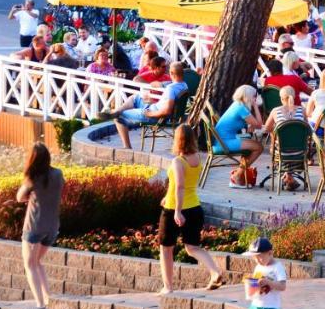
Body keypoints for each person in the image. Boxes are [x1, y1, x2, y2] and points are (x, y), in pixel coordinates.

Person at [158, 125, 225, 293]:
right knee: (192, 247)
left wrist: (177, 211)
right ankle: (215, 272)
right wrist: (167, 195)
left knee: (166, 248)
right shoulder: (196, 158)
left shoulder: (178, 161)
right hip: (195, 206)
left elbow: (180, 186)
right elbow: (179, 184)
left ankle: (168, 287)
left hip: (175, 209)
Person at [14, 143, 63, 308]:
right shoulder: (58, 173)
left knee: (30, 265)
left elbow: (19, 197)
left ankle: (40, 303)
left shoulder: (32, 178)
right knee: (38, 262)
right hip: (52, 227)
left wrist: (30, 195)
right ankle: (48, 297)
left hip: (34, 226)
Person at [112, 62, 188, 148]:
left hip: (154, 116)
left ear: (171, 73)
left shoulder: (171, 89)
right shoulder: (184, 86)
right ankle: (117, 110)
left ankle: (127, 147)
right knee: (135, 98)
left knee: (119, 116)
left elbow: (167, 111)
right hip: (156, 109)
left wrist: (149, 113)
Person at [216, 85, 264, 184]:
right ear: (249, 96)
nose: (255, 98)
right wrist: (255, 106)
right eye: (254, 96)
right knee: (259, 147)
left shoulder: (237, 104)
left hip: (221, 140)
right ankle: (238, 175)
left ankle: (240, 175)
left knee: (252, 145)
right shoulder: (241, 108)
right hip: (224, 142)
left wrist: (249, 125)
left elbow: (249, 124)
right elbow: (259, 125)